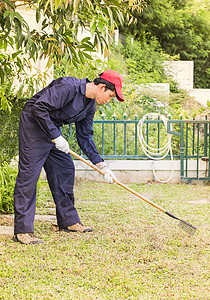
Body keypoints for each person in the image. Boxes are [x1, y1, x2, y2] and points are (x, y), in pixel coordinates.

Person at [12, 70, 125, 245]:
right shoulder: (68, 86)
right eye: (110, 96)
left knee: (64, 169)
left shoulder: (89, 106)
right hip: (33, 126)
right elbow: (39, 108)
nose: (108, 100)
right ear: (102, 87)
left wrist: (101, 165)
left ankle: (68, 221)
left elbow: (85, 136)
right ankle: (23, 231)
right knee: (29, 176)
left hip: (52, 130)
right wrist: (56, 136)